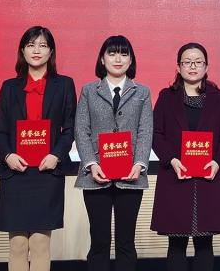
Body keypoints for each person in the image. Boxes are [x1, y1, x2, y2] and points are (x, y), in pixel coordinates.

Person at [0, 26, 77, 271]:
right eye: (31, 45)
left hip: (47, 172)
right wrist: (8, 155)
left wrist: (56, 155)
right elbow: (1, 131)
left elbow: (70, 128)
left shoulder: (64, 85)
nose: (36, 50)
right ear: (22, 51)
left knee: (40, 242)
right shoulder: (9, 87)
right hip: (15, 173)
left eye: (42, 45)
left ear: (51, 51)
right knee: (18, 244)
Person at [151, 43, 220, 271]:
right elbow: (156, 134)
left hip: (209, 178)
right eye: (187, 62)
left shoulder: (218, 97)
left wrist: (217, 161)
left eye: (198, 62)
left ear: (207, 67)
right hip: (175, 177)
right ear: (178, 67)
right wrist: (172, 160)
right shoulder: (167, 97)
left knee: (205, 242)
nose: (193, 66)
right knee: (176, 243)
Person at [75, 35, 153, 271]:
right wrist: (91, 163)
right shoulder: (89, 91)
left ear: (131, 60)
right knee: (99, 241)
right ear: (102, 59)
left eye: (123, 54)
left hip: (131, 175)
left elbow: (145, 130)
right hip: (95, 175)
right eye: (112, 53)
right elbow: (81, 129)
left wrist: (139, 163)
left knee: (126, 242)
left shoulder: (142, 92)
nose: (118, 59)